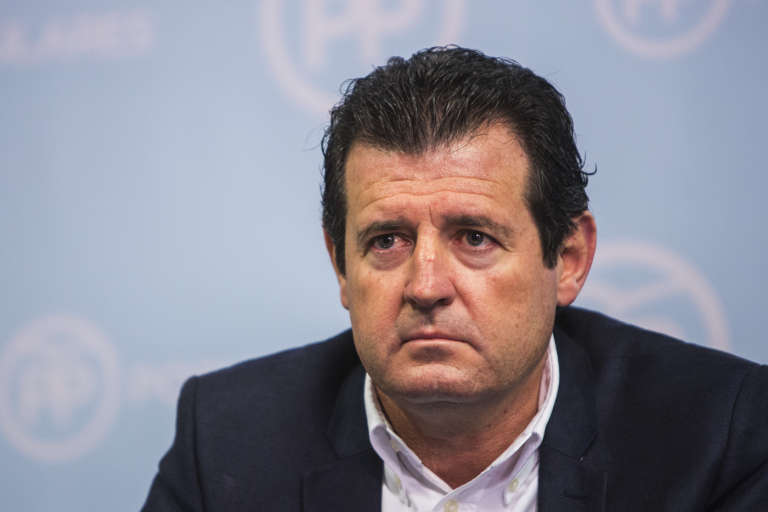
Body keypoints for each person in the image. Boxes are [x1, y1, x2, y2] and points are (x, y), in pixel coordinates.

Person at [142, 46, 768, 511]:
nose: (426, 286)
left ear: (569, 258)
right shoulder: (227, 440)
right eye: (387, 240)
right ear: (341, 266)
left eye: (474, 237)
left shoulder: (716, 435)